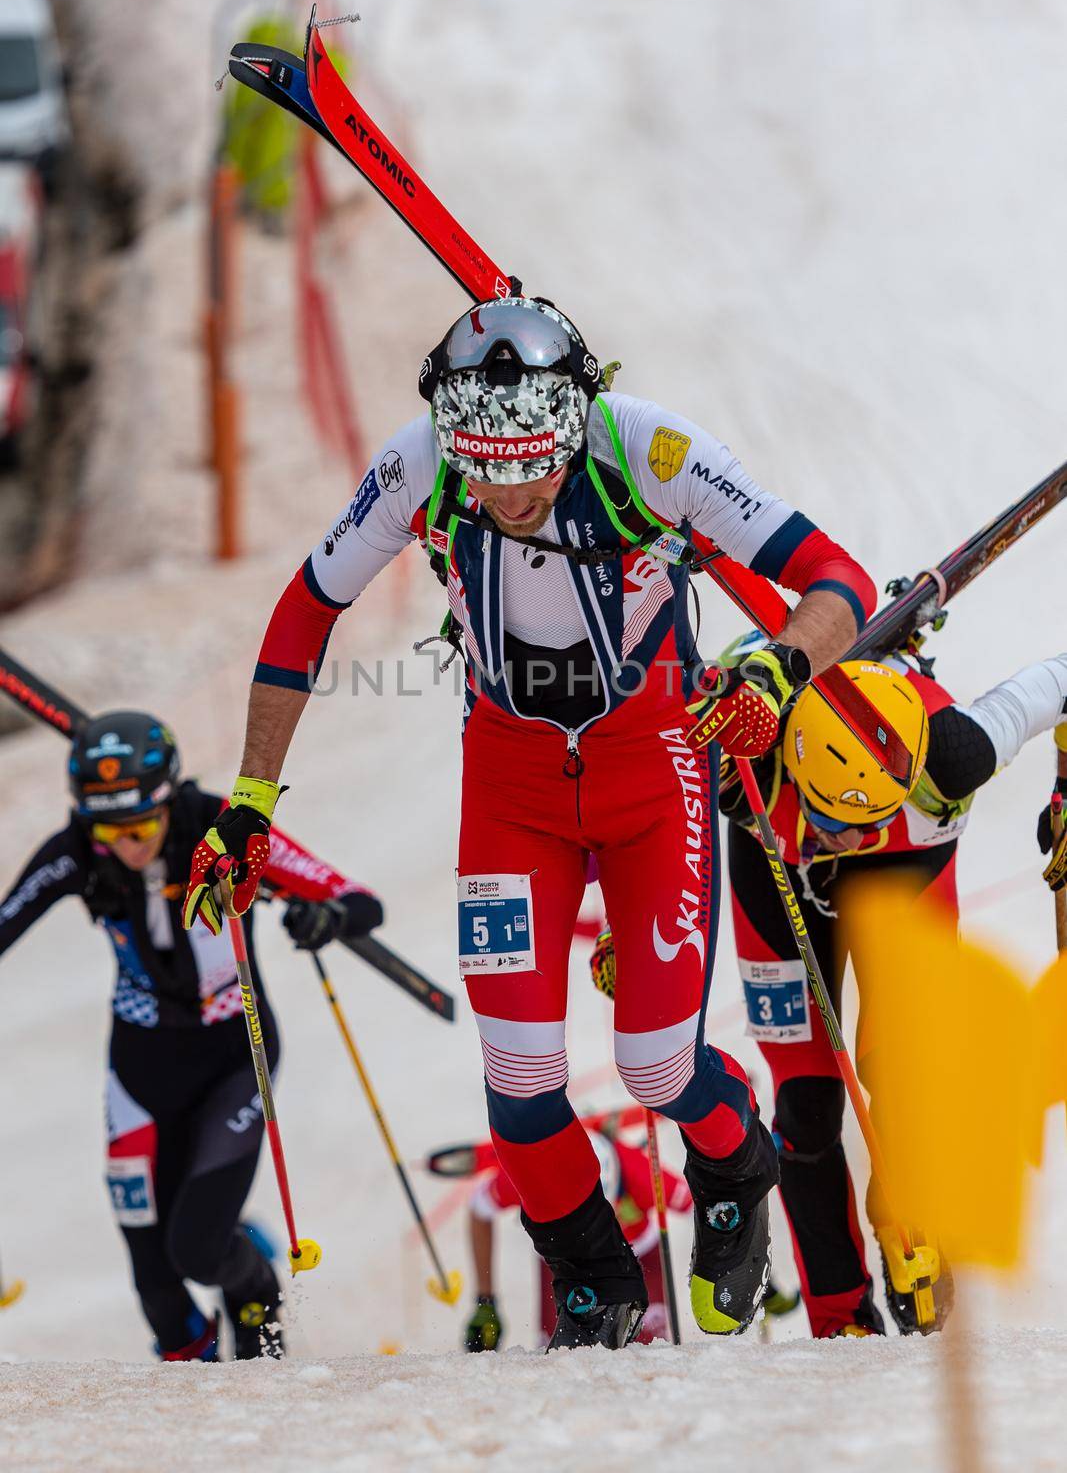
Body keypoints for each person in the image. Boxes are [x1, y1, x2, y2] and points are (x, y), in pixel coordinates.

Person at [183, 294, 876, 1348]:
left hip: (651, 768)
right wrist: (248, 798)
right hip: (510, 786)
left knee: (652, 1063)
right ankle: (591, 1277)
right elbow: (305, 608)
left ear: (571, 426)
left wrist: (778, 669)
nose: (508, 491)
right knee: (515, 1075)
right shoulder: (420, 461)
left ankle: (734, 1159)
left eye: (530, 467)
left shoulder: (646, 446)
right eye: (485, 469)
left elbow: (833, 578)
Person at [0, 709, 383, 1360]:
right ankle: (193, 1418)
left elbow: (357, 898)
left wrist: (327, 917)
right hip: (140, 1070)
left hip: (236, 1060)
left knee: (199, 1250)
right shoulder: (76, 849)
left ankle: (255, 1284)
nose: (128, 844)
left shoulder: (222, 827)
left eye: (142, 825)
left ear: (168, 801)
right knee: (157, 1287)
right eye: (110, 830)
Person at [718, 643, 1067, 1338]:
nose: (841, 839)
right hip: (773, 866)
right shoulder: (743, 754)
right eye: (828, 820)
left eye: (857, 824)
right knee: (805, 1101)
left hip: (905, 863)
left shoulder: (959, 751)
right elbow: (626, 792)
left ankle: (911, 1243)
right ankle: (837, 1314)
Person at [463, 1122, 691, 1351]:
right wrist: (485, 1300)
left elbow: (701, 1202)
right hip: (562, 1256)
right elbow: (479, 1208)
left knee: (644, 1349)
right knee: (562, 1355)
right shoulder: (534, 1175)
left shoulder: (641, 1173)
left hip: (636, 1253)